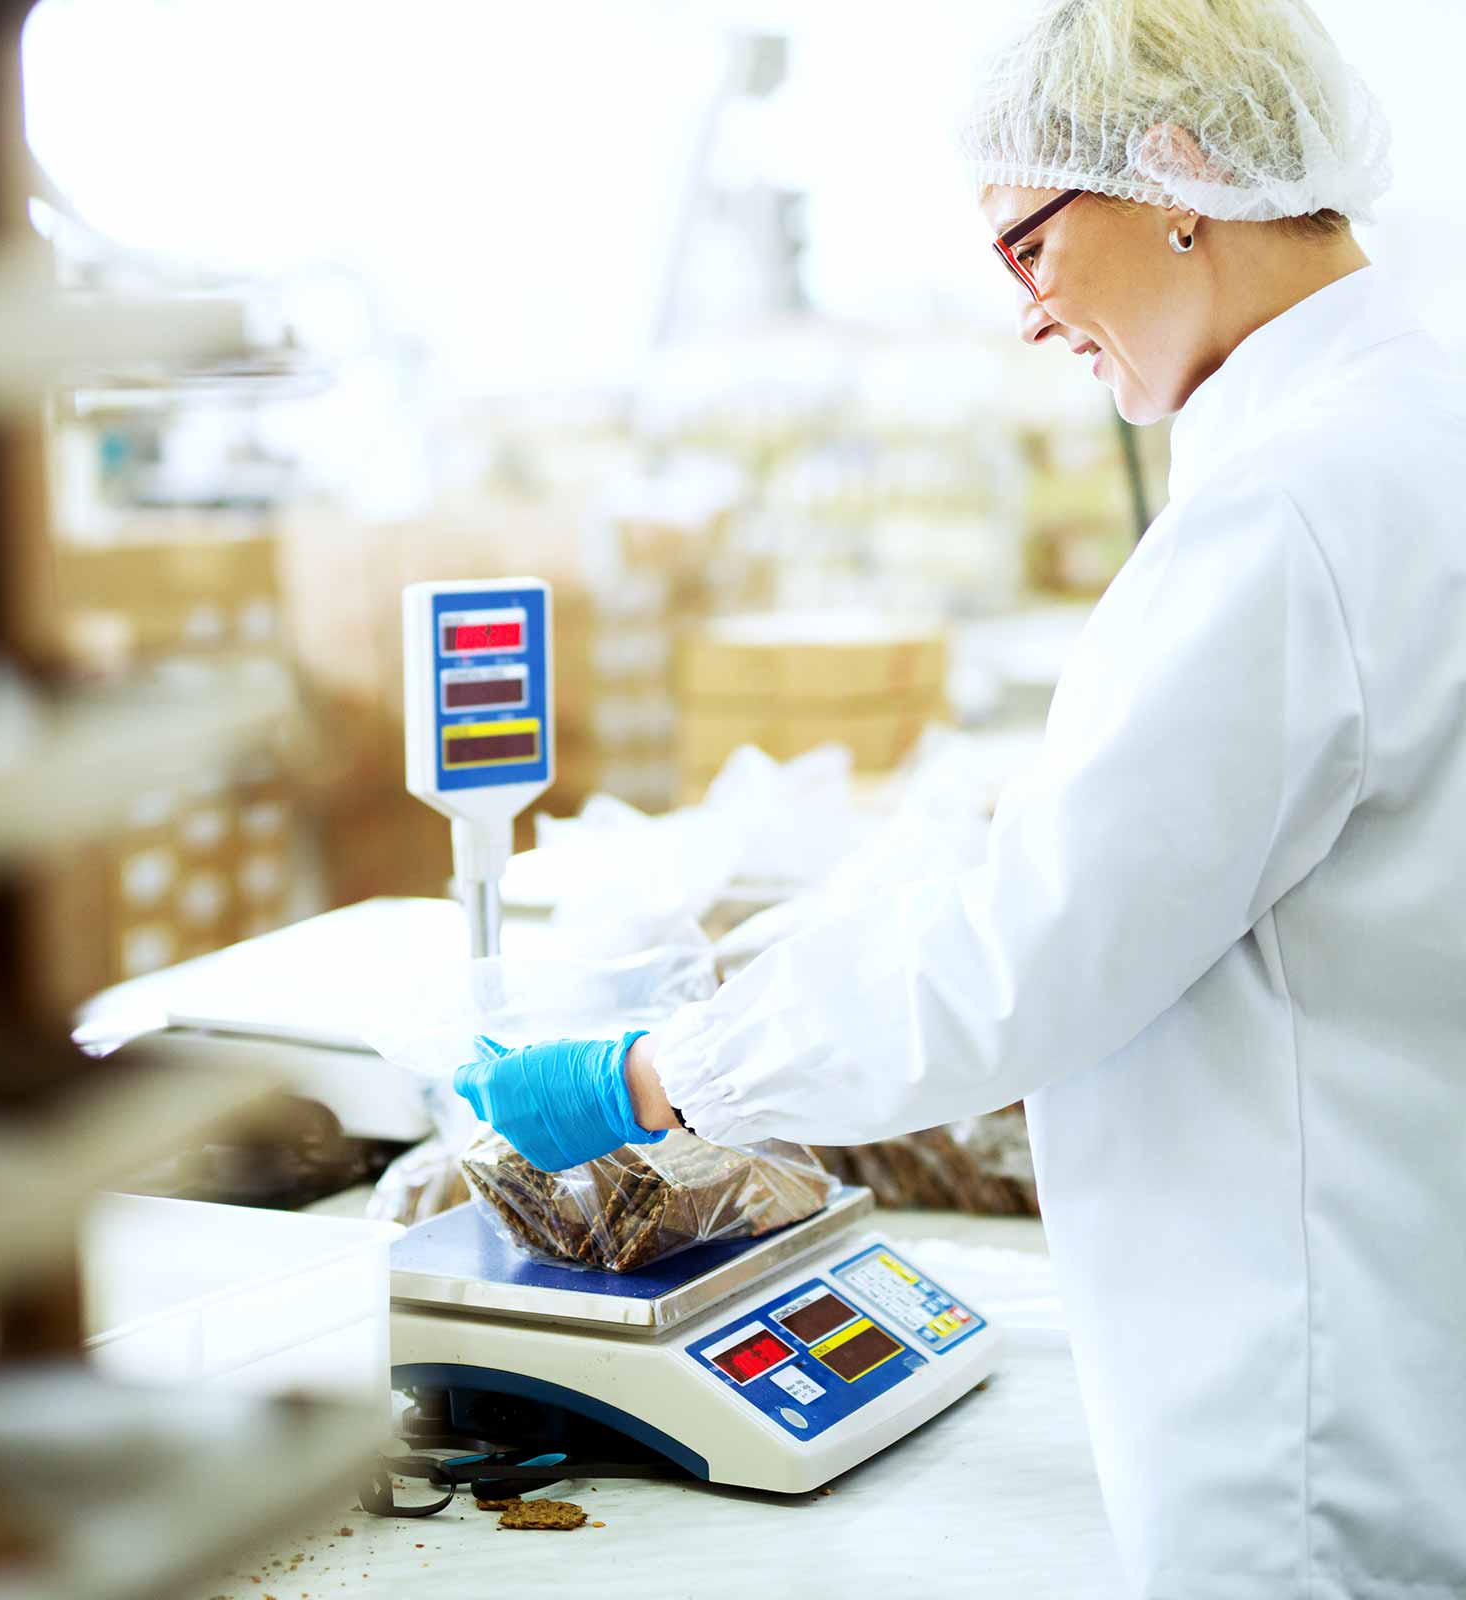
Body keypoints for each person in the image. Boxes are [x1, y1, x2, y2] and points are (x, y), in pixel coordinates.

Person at [456, 1, 1466, 1594]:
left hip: (1311, 1425)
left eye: (1028, 247)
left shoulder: (1292, 509)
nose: (1026, 314)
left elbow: (1024, 966)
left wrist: (653, 1070)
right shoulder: (1414, 430)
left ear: (1177, 170)